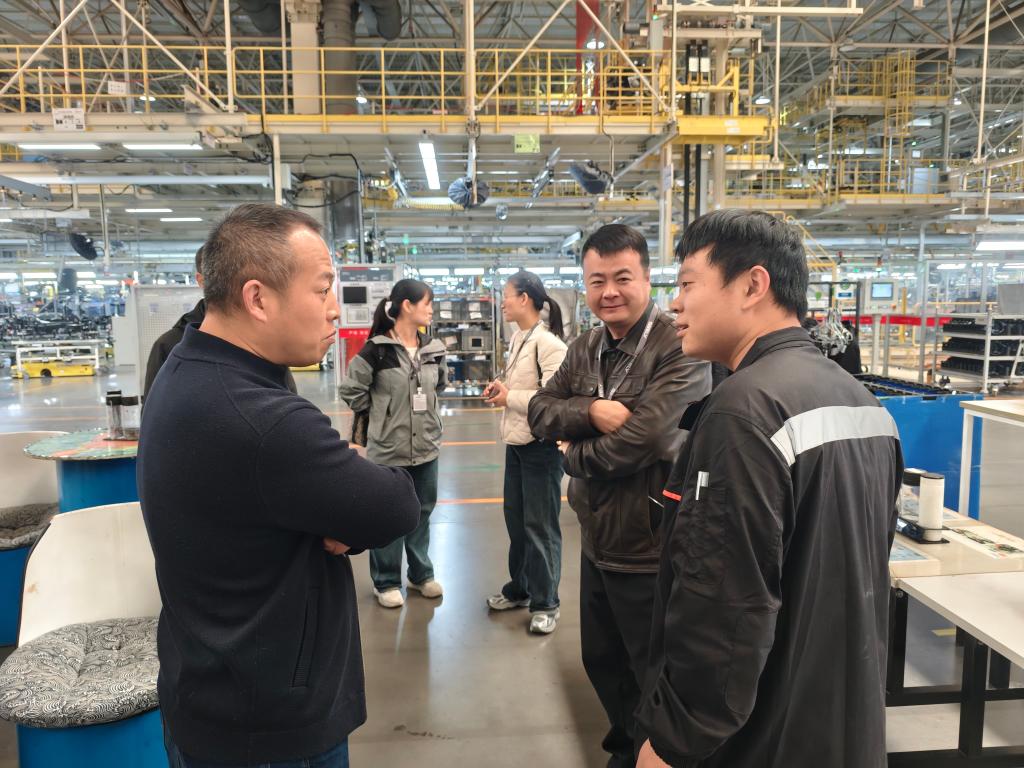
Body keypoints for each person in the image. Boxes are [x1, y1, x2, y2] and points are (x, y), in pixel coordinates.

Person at [138, 203, 420, 768]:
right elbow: (396, 505)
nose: (335, 308)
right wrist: (342, 491)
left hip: (210, 691)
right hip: (270, 726)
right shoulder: (261, 419)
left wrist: (330, 491)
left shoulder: (185, 366)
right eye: (322, 289)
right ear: (258, 298)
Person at [635, 210, 903, 768]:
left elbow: (724, 606)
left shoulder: (743, 412)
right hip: (844, 723)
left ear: (753, 285)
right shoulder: (864, 403)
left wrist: (674, 741)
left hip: (764, 736)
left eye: (687, 284)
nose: (674, 305)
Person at [528, 224, 711, 768]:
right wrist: (591, 410)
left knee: (652, 669)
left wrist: (571, 456)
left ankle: (653, 756)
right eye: (597, 281)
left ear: (647, 279)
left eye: (622, 278)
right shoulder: (585, 347)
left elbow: (648, 439)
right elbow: (540, 409)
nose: (609, 292)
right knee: (603, 661)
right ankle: (624, 750)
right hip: (597, 536)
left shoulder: (678, 346)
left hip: (651, 543)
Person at [339, 279, 448, 609]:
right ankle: (386, 580)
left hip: (427, 446)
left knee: (422, 512)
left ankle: (420, 574)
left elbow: (440, 384)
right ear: (407, 306)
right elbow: (351, 390)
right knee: (387, 515)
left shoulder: (434, 349)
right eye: (427, 303)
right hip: (388, 450)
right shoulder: (377, 350)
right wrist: (382, 414)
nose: (431, 309)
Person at [482, 271, 569, 635]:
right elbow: (524, 385)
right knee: (517, 523)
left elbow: (554, 400)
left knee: (540, 527)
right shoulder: (520, 337)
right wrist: (502, 388)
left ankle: (546, 602)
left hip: (540, 448)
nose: (502, 301)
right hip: (517, 444)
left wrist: (510, 398)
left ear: (525, 299)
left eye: (507, 294)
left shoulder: (550, 345)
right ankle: (520, 588)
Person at [143, 244, 297, 396]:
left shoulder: (263, 336)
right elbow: (154, 404)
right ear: (201, 280)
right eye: (220, 277)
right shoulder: (169, 344)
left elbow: (286, 392)